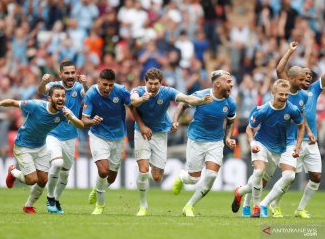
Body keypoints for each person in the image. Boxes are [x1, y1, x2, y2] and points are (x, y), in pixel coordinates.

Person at [233, 42, 309, 218]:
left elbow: (300, 126)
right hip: (262, 143)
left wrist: (298, 145)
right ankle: (257, 207)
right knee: (258, 172)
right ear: (273, 94)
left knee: (273, 179)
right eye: (281, 94)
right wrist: (252, 143)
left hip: (281, 146)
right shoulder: (262, 110)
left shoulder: (292, 109)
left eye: (286, 95)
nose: (283, 97)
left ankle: (241, 194)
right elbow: (250, 129)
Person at [130, 67, 212, 216]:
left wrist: (201, 100)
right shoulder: (138, 91)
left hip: (160, 133)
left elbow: (186, 98)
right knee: (143, 171)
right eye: (150, 83)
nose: (153, 87)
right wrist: (142, 101)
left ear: (161, 83)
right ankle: (143, 206)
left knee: (157, 177)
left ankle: (144, 177)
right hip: (141, 132)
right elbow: (133, 102)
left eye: (156, 84)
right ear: (145, 82)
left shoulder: (167, 92)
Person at [0, 85, 84, 214]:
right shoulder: (36, 105)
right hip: (23, 145)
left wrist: (71, 117)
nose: (61, 98)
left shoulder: (64, 112)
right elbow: (13, 102)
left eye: (63, 96)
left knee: (43, 180)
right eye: (57, 96)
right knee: (32, 180)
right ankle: (13, 172)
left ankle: (28, 206)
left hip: (41, 146)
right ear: (50, 98)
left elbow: (81, 125)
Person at [171, 70, 237, 217]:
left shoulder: (231, 102)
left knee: (212, 176)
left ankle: (189, 206)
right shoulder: (201, 95)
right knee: (193, 179)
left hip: (215, 142)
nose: (231, 84)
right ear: (217, 84)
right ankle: (182, 177)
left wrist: (228, 137)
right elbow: (182, 105)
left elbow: (231, 121)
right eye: (228, 81)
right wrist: (175, 120)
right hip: (196, 140)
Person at [83, 69, 139, 215]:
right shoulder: (91, 94)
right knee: (103, 171)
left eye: (110, 85)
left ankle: (97, 188)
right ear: (98, 82)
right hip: (98, 136)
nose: (108, 88)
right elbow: (84, 120)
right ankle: (100, 205)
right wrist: (92, 121)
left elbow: (132, 106)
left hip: (119, 137)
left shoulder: (120, 91)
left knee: (111, 178)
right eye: (105, 84)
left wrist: (142, 125)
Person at [37, 61, 89, 214]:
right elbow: (41, 91)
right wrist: (43, 82)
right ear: (61, 74)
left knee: (65, 173)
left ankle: (56, 200)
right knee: (58, 164)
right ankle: (50, 198)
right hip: (52, 134)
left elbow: (88, 95)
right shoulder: (55, 87)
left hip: (70, 136)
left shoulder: (79, 87)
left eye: (73, 73)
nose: (70, 76)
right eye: (67, 73)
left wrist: (86, 85)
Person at [291, 41, 325, 218]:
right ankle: (271, 204)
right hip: (293, 140)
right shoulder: (292, 90)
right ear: (298, 78)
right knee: (288, 177)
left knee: (316, 177)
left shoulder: (315, 89)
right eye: (304, 74)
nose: (308, 76)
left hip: (312, 141)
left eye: (310, 75)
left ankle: (300, 209)